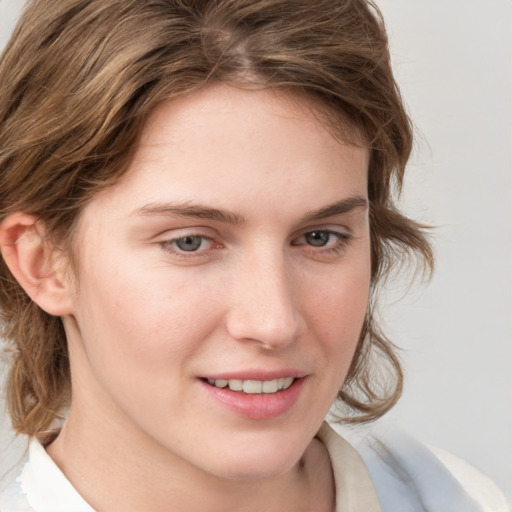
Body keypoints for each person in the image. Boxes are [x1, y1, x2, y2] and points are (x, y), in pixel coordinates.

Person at [0, 0, 508, 511]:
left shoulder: (461, 498)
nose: (274, 322)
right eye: (190, 242)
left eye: (320, 237)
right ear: (43, 263)